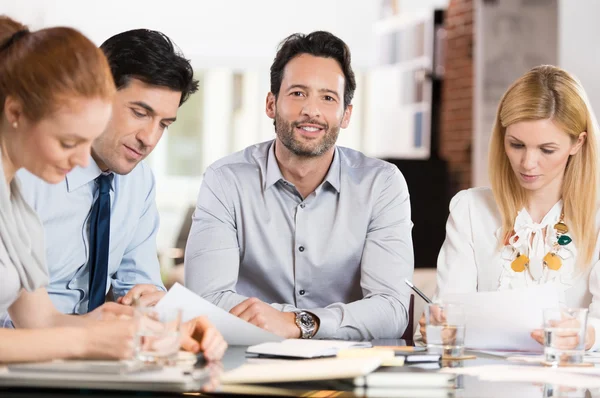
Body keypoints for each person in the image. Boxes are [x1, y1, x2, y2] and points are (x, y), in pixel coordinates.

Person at [0, 16, 226, 363]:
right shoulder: (28, 180)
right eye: (68, 141)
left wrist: (168, 328)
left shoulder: (12, 201)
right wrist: (85, 343)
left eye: (164, 124)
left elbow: (42, 320)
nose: (79, 161)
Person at [184, 31, 414, 340]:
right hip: (249, 362)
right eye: (297, 93)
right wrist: (286, 322)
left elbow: (392, 310)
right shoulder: (225, 180)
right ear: (270, 104)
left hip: (345, 368)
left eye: (328, 97)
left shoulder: (382, 185)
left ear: (346, 114)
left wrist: (299, 323)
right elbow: (207, 299)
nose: (312, 110)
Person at [14, 28, 197, 315]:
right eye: (139, 113)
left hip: (97, 349)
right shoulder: (25, 173)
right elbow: (28, 323)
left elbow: (141, 286)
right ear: (95, 95)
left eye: (164, 124)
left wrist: (152, 305)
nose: (149, 138)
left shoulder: (139, 182)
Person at [418, 65, 600, 350]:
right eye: (516, 145)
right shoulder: (470, 209)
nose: (527, 163)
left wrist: (586, 334)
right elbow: (447, 315)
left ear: (578, 143)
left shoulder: (597, 218)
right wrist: (439, 327)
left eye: (546, 150)